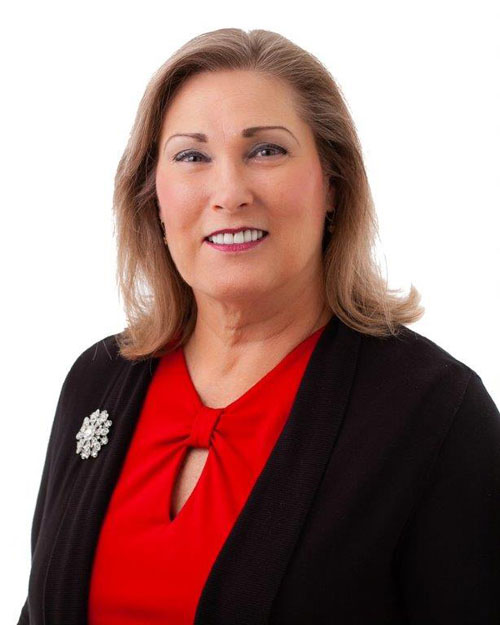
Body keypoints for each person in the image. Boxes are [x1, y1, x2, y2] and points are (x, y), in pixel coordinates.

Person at [17, 28, 500, 625]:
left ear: (333, 184)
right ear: (154, 197)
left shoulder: (434, 412)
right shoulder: (98, 379)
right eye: (192, 156)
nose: (230, 192)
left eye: (266, 150)